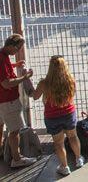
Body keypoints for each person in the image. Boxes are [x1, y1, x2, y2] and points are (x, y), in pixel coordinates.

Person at [32, 56, 83, 176]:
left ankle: (64, 167)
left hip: (52, 116)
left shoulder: (44, 83)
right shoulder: (70, 80)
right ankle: (78, 159)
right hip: (68, 113)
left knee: (59, 143)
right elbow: (72, 95)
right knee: (73, 136)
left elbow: (34, 96)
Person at [0, 34, 36, 168]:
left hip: (1, 101)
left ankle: (2, 152)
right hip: (8, 101)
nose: (18, 51)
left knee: (0, 125)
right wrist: (24, 77)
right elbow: (6, 83)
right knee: (14, 131)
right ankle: (17, 158)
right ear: (11, 46)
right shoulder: (2, 58)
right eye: (18, 48)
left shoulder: (3, 55)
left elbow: (4, 70)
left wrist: (15, 64)